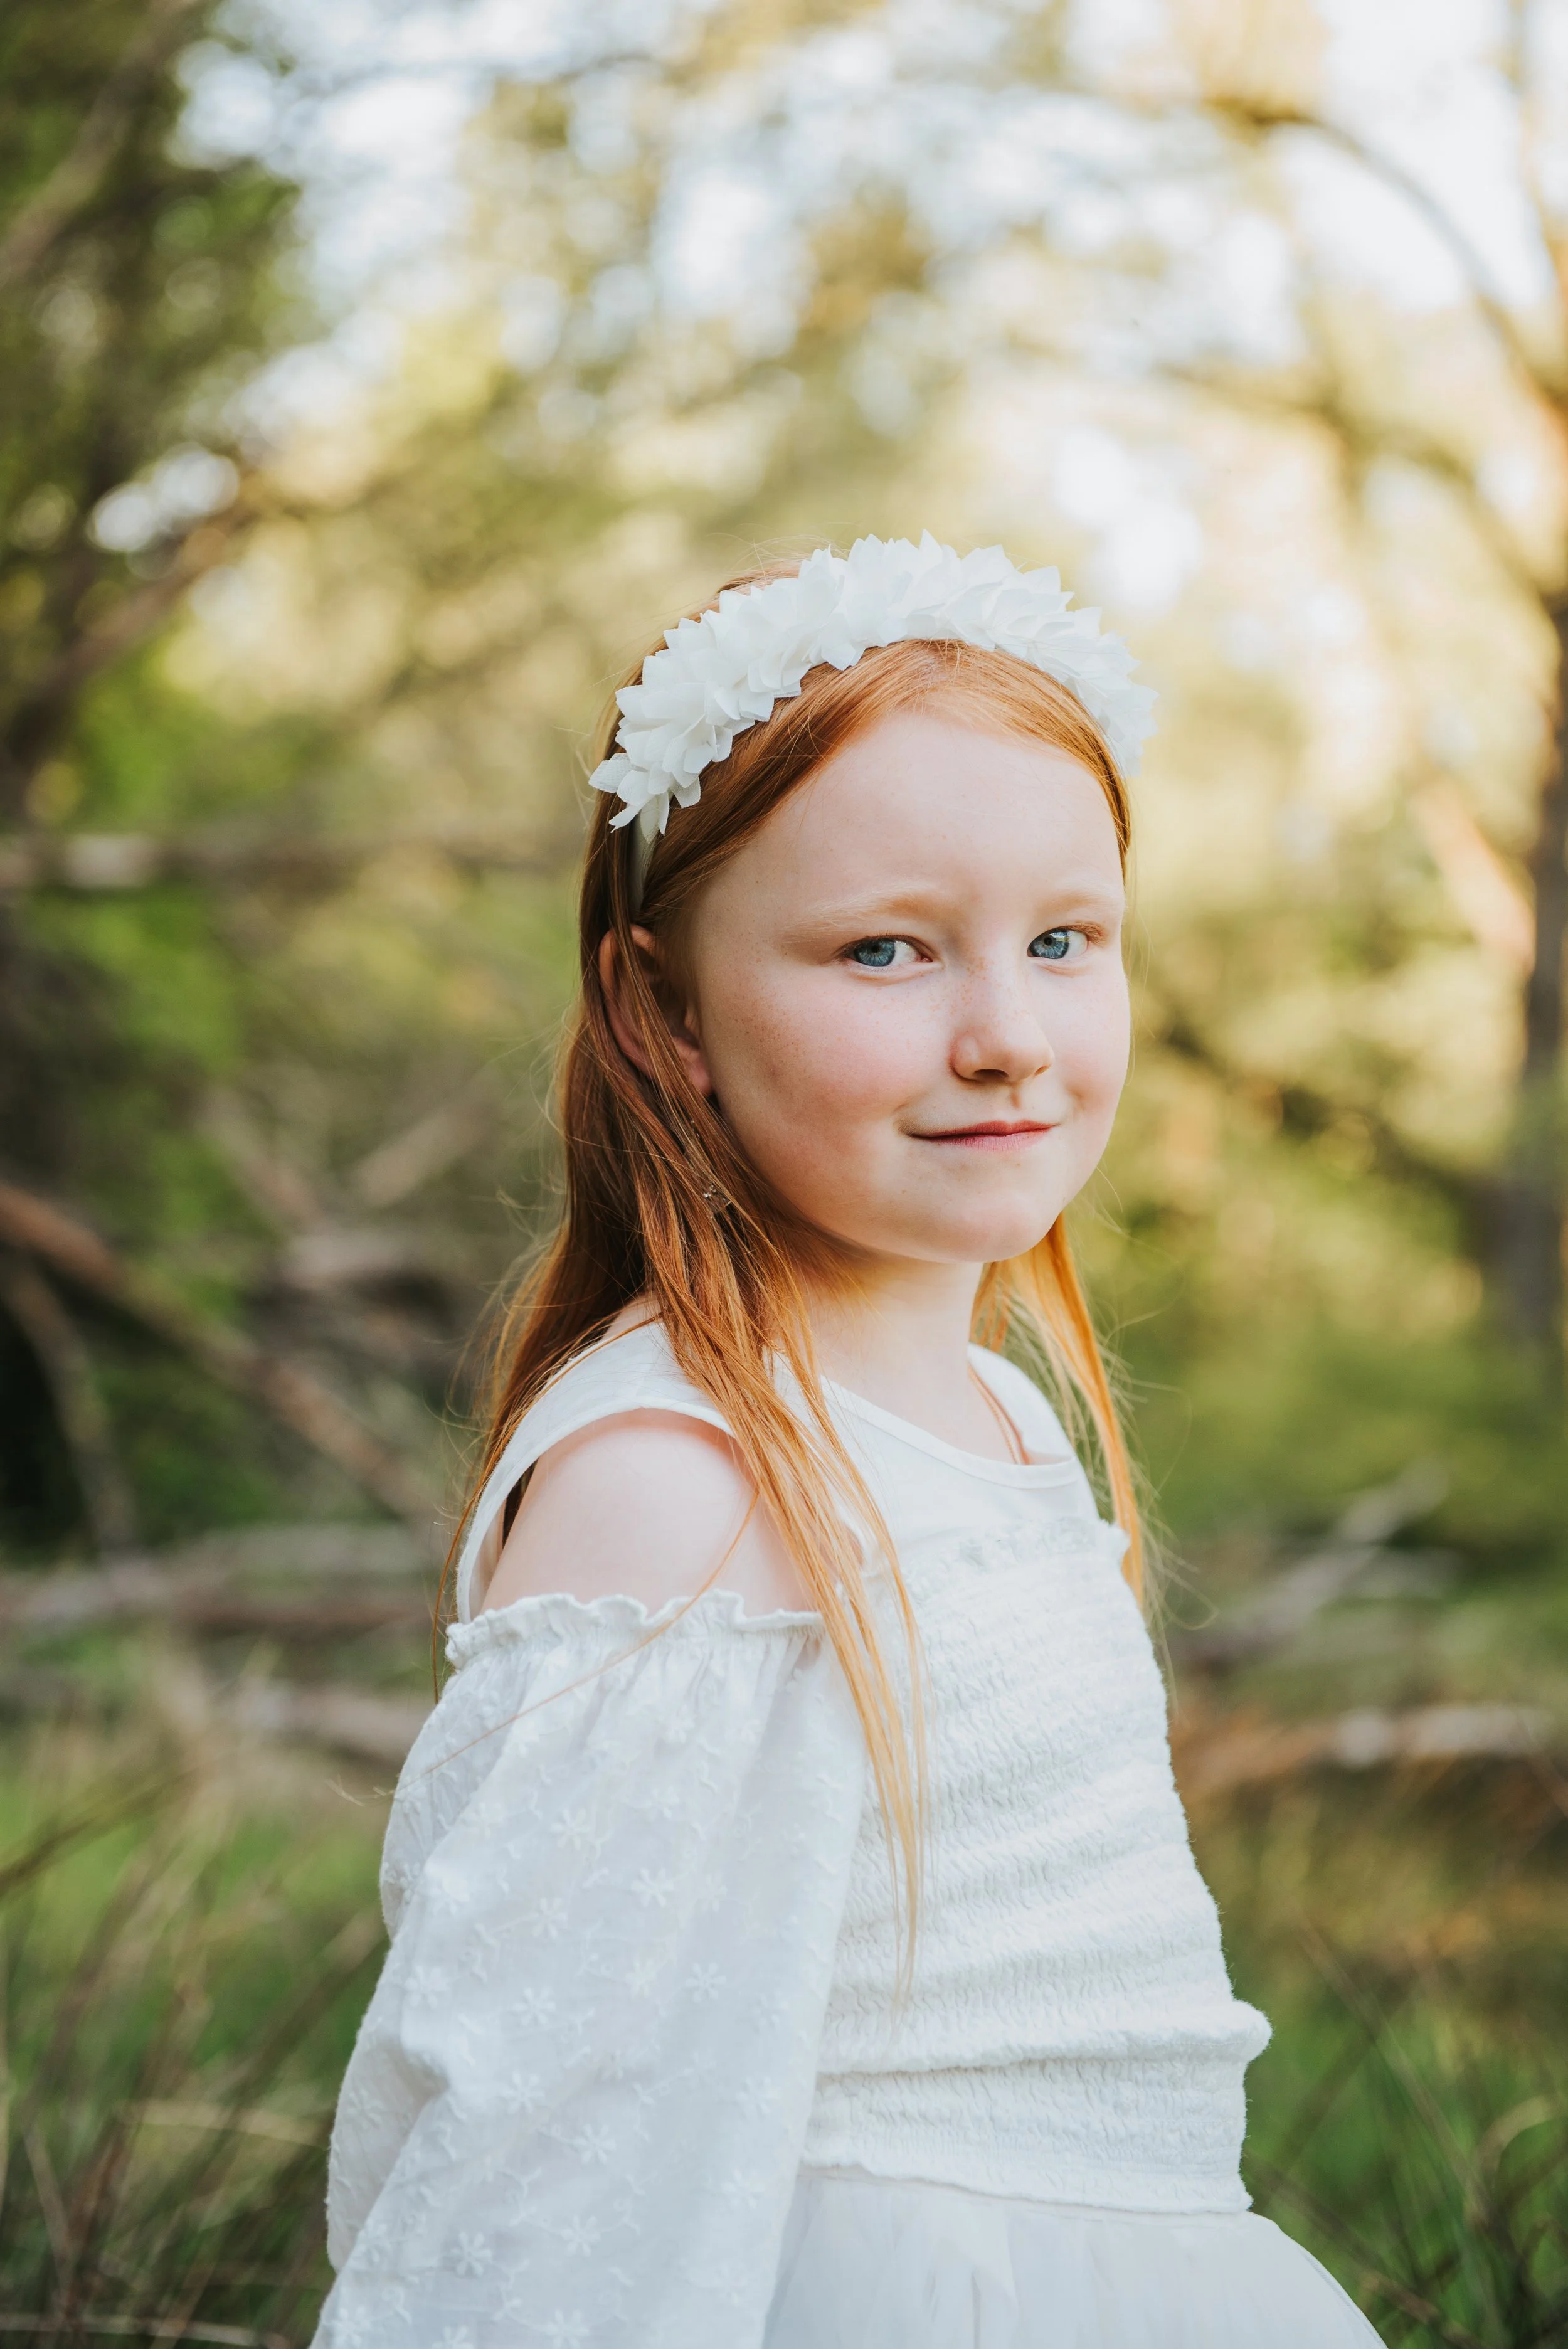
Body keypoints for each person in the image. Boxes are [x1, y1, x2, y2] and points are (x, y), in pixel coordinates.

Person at [312, 536, 1380, 2346]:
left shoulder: (998, 1418)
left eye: (1063, 941)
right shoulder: (681, 1486)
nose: (1007, 1035)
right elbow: (544, 2171)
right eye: (885, 950)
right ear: (660, 1008)